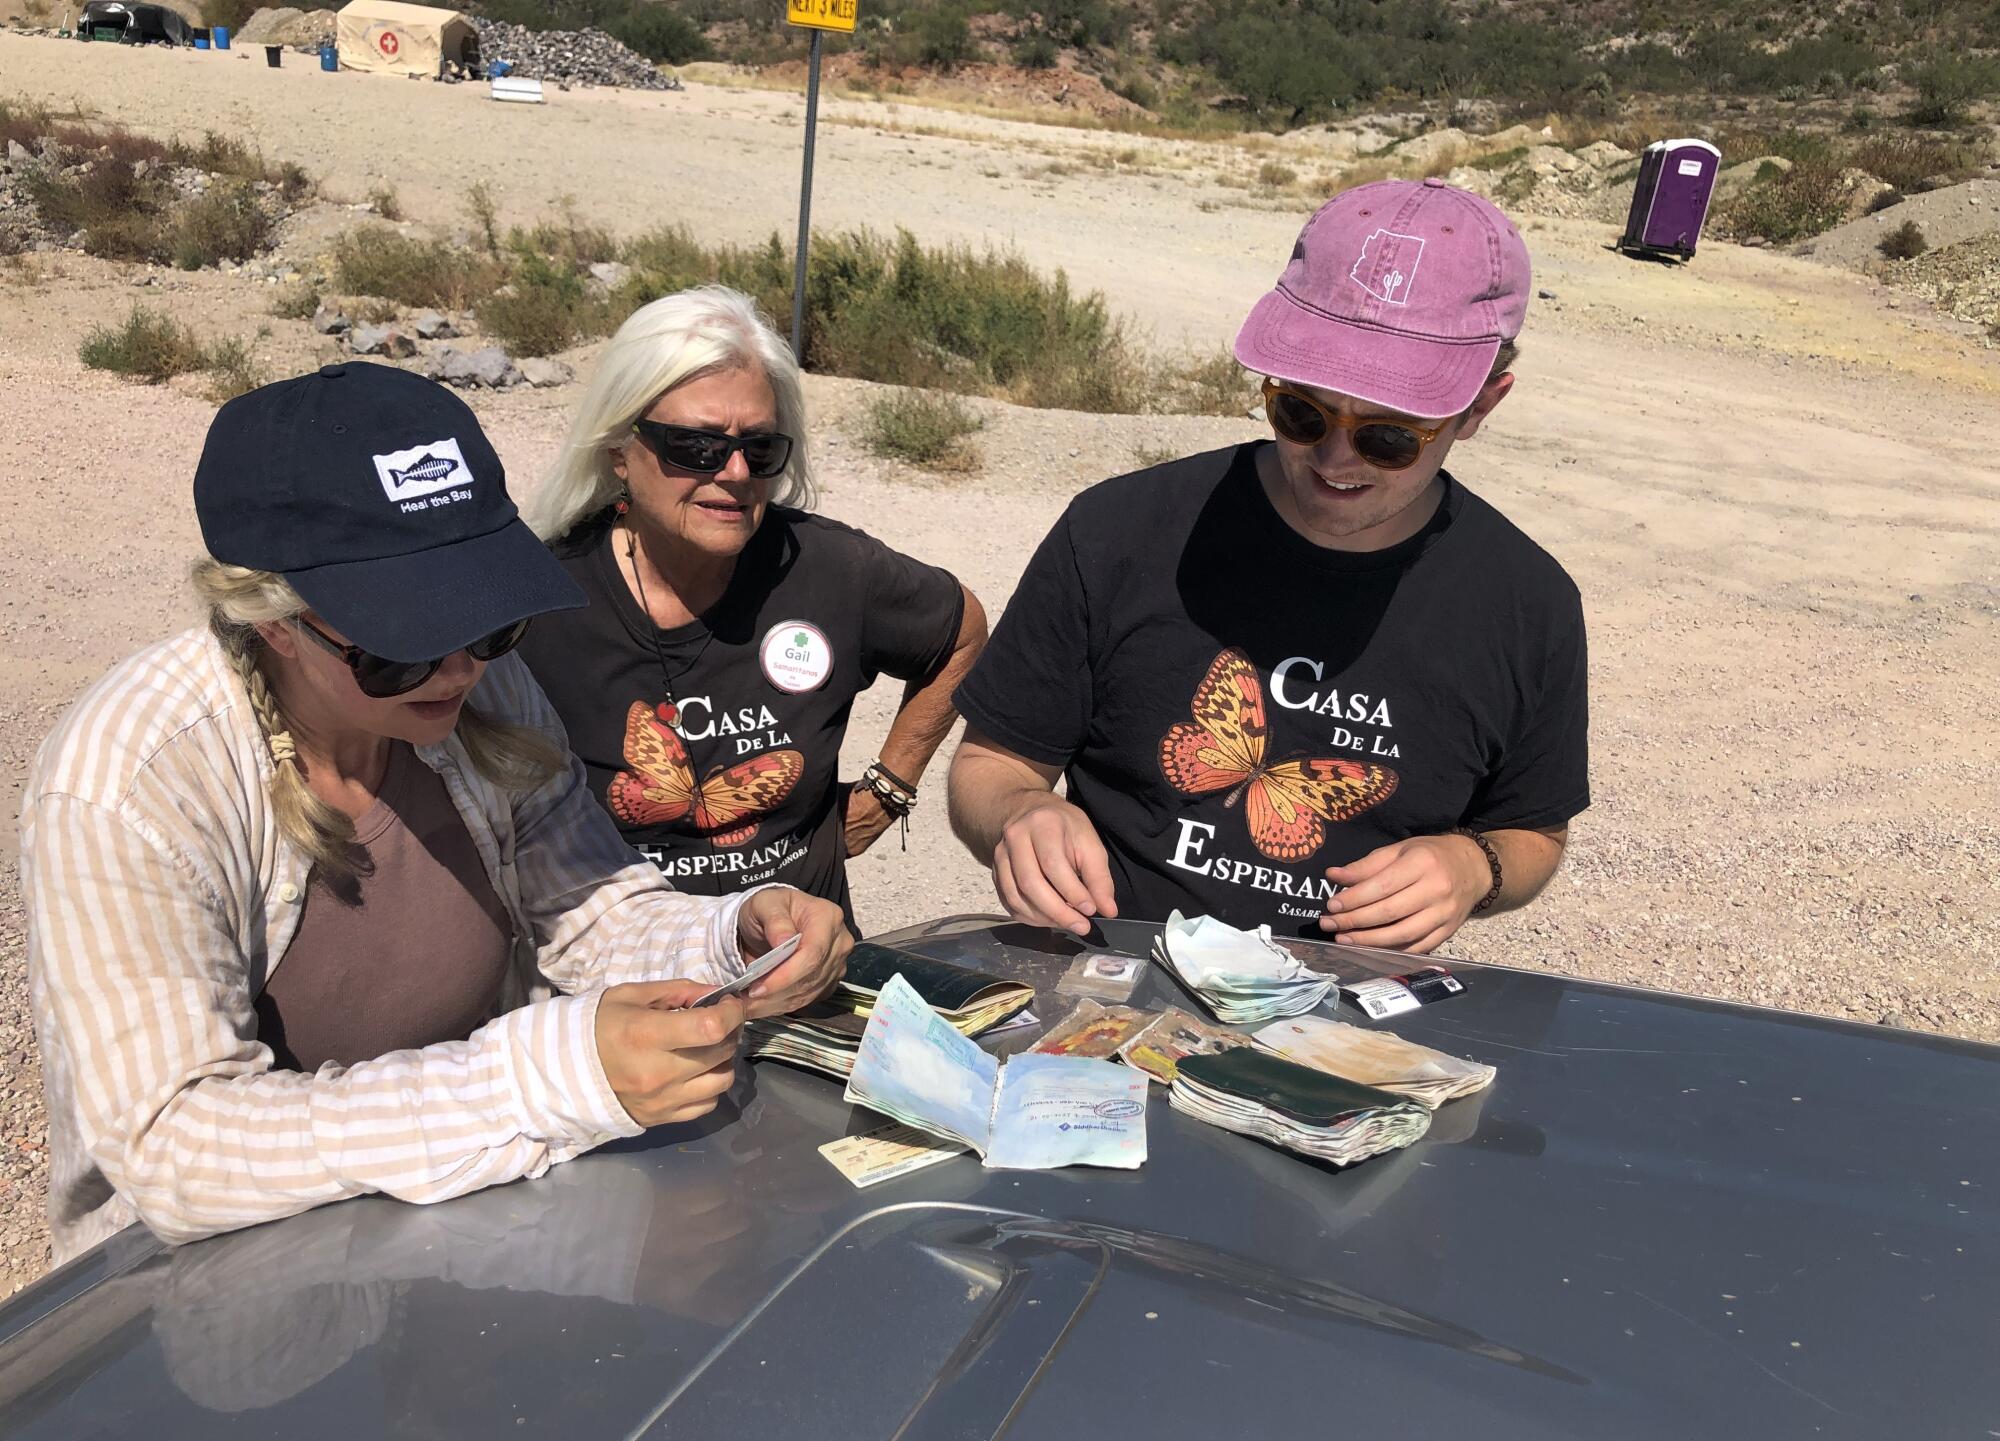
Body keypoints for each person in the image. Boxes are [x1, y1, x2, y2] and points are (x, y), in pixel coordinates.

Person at [21, 363, 851, 1264]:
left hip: (456, 1243)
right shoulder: (131, 784)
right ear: (268, 619)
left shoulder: (481, 694)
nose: (460, 668)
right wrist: (538, 1076)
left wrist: (732, 940)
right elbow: (178, 1144)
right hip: (215, 1315)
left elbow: (589, 907)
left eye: (487, 620)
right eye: (401, 646)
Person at [948, 179, 1588, 950]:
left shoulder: (1528, 605)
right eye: (1301, 411)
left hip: (1341, 1028)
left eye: (1390, 435)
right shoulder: (1120, 530)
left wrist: (1474, 864)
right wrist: (1022, 813)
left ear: (1483, 406)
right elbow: (989, 763)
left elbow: (1531, 833)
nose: (1334, 458)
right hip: (1107, 991)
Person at [518, 286, 987, 933]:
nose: (736, 471)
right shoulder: (543, 607)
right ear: (619, 452)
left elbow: (960, 631)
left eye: (760, 448)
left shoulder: (826, 570)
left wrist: (888, 790)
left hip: (803, 979)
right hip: (627, 996)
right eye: (696, 446)